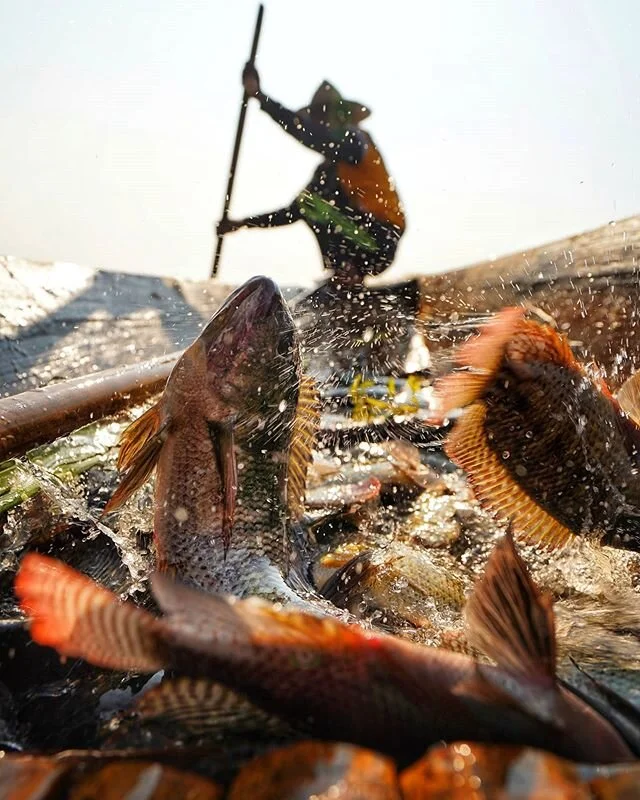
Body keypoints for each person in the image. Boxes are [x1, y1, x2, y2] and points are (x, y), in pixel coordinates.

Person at [218, 64, 406, 288]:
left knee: (315, 205)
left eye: (326, 117)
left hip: (381, 239)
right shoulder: (328, 172)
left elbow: (308, 134)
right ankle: (345, 276)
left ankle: (349, 273)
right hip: (359, 237)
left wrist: (260, 97)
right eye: (318, 117)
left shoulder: (356, 140)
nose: (322, 123)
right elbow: (293, 211)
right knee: (308, 202)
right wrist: (242, 224)